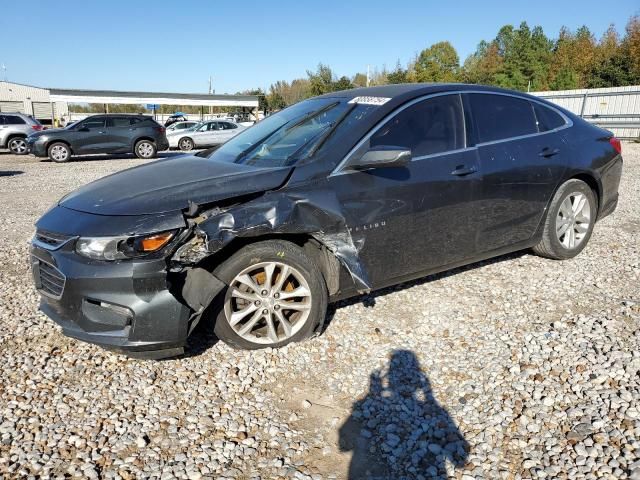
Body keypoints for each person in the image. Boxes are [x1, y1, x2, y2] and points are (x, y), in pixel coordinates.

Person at [339, 350, 469, 479]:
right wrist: (429, 396)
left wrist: (373, 392)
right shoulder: (438, 411)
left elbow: (343, 446)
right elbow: (460, 461)